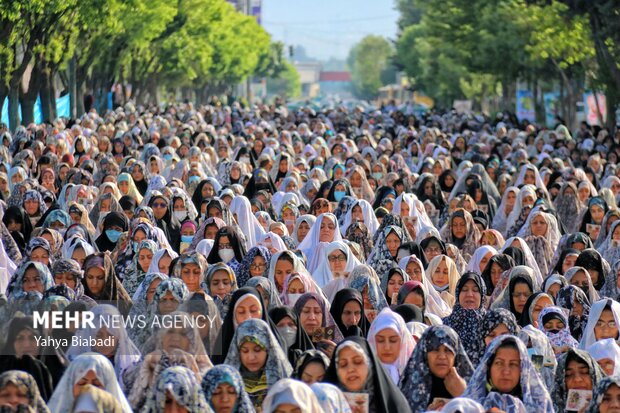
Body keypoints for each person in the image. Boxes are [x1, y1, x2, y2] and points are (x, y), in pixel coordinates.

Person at [462, 335, 554, 412]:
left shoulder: (540, 404)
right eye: (499, 363)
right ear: (488, 367)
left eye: (513, 364)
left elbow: (552, 362)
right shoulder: (468, 405)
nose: (506, 371)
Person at [324, 336, 412, 413]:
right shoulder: (325, 404)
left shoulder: (394, 405)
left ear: (370, 364)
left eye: (357, 361)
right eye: (343, 364)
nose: (350, 369)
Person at [399, 325, 473, 412]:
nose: (442, 356)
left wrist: (463, 395)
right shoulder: (409, 390)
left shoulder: (473, 387)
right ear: (425, 353)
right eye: (435, 349)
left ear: (456, 355)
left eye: (448, 350)